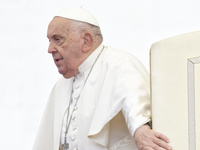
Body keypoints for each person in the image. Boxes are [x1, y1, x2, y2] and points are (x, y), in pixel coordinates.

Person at [32, 7, 172, 150]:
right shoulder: (60, 87)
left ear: (86, 41)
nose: (50, 49)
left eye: (57, 39)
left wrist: (141, 129)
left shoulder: (119, 63)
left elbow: (134, 99)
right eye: (49, 41)